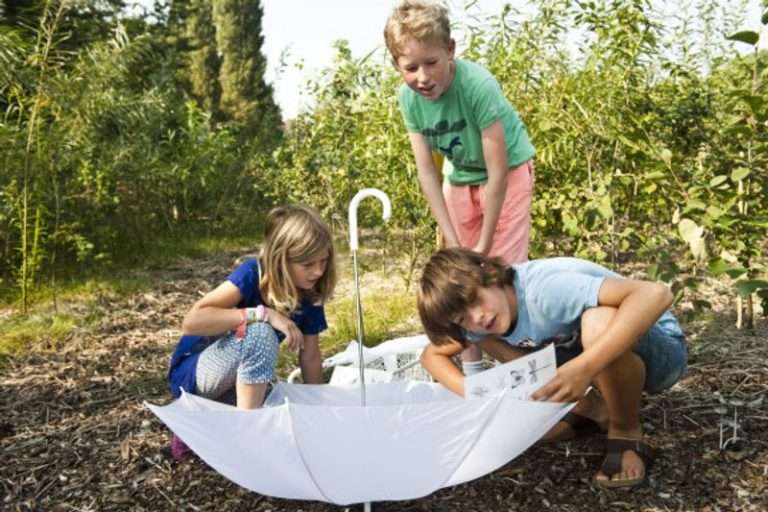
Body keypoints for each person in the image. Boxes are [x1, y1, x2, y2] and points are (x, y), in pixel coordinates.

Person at [416, 248, 687, 488]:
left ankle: (625, 428)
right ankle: (592, 409)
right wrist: (473, 392)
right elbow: (431, 356)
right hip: (589, 359)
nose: (478, 317)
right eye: (463, 318)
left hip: (660, 355)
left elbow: (656, 294)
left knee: (598, 321)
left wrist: (583, 368)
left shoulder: (545, 290)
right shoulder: (483, 321)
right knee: (489, 339)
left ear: (489, 274)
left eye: (475, 300)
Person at [384, 0, 536, 375]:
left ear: (450, 51)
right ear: (397, 67)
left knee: (503, 268)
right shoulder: (409, 100)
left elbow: (498, 171)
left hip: (508, 173)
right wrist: (453, 239)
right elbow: (427, 173)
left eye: (431, 63)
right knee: (458, 273)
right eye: (410, 68)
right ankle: (474, 372)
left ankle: (521, 365)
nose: (423, 76)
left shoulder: (477, 86)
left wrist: (484, 244)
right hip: (460, 176)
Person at [166, 205, 337, 458]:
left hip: (242, 381)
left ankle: (200, 424)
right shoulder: (252, 273)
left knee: (287, 410)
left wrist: (319, 412)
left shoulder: (309, 293)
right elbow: (192, 321)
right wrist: (264, 314)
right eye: (308, 264)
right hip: (197, 371)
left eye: (323, 261)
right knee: (260, 332)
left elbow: (310, 355)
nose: (318, 271)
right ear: (281, 259)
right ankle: (246, 440)